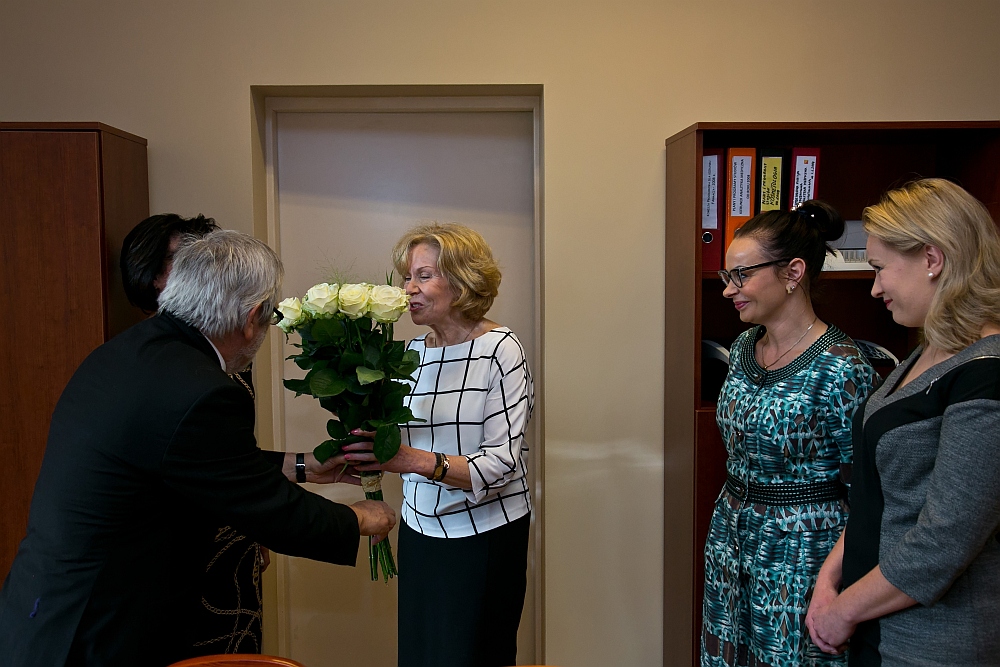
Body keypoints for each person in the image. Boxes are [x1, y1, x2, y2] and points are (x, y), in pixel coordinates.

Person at [0, 229, 396, 667]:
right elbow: (267, 510)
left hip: (44, 610)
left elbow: (192, 464)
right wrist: (358, 518)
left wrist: (303, 466)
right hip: (95, 629)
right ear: (252, 317)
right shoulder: (202, 390)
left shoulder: (132, 351)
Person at [805, 179, 1000, 665]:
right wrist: (829, 580)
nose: (874, 288)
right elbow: (882, 495)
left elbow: (944, 541)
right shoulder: (923, 353)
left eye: (879, 268)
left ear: (932, 259)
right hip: (875, 625)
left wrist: (843, 611)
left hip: (933, 644)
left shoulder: (986, 375)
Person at [344, 222, 534, 667]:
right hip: (420, 532)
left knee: (473, 655)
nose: (408, 288)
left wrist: (409, 460)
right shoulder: (412, 353)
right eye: (407, 277)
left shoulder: (501, 350)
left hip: (484, 537)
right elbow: (396, 441)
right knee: (422, 654)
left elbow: (500, 464)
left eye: (423, 276)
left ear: (463, 281)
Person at [701, 201, 879, 666]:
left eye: (742, 275)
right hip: (731, 540)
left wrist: (834, 583)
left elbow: (867, 494)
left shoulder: (842, 368)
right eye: (726, 276)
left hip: (801, 554)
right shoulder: (744, 346)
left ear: (793, 273)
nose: (729, 290)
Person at [121, 213, 266, 654]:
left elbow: (236, 454)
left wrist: (260, 522)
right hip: (177, 546)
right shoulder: (145, 359)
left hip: (234, 523)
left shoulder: (230, 354)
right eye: (177, 260)